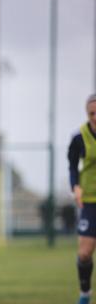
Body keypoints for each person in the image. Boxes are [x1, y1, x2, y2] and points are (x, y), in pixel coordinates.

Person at [68, 94, 96, 304]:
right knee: (85, 253)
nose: (95, 117)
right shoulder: (79, 137)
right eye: (91, 113)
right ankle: (85, 293)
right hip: (89, 200)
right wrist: (75, 186)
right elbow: (73, 166)